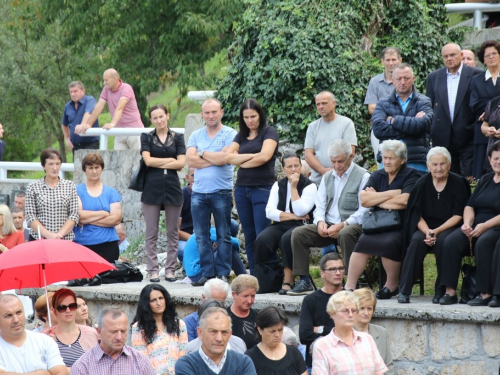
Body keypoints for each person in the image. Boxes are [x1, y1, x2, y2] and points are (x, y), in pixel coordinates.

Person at [288, 139, 369, 295]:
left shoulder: (363, 176)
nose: (337, 166)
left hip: (351, 225)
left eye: (340, 161)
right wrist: (319, 222)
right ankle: (304, 281)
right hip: (329, 224)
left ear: (351, 156)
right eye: (333, 162)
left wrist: (343, 224)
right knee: (298, 234)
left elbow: (364, 210)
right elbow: (320, 205)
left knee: (346, 233)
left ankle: (350, 281)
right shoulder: (327, 177)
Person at [345, 140, 420, 299]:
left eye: (391, 158)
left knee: (388, 242)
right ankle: (349, 285)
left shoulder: (411, 174)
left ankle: (391, 285)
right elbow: (364, 200)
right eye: (384, 158)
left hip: (400, 224)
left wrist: (376, 199)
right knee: (363, 242)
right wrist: (394, 194)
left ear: (402, 160)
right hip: (377, 223)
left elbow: (405, 201)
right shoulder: (377, 175)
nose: (386, 161)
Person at [398, 147, 470, 304]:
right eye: (435, 164)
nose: (439, 168)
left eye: (442, 164)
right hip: (425, 227)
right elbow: (415, 214)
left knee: (443, 242)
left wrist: (436, 231)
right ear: (428, 165)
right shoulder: (421, 183)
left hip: (449, 226)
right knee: (417, 242)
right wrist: (428, 232)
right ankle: (404, 290)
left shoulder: (458, 182)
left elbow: (459, 214)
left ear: (449, 165)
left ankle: (441, 291)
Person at [440, 140, 500, 306]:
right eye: (495, 158)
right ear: (489, 159)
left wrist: (485, 226)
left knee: (484, 242)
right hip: (476, 227)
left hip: (495, 227)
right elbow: (469, 206)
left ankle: (486, 293)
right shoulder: (486, 179)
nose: (498, 162)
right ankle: (450, 291)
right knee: (451, 241)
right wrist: (467, 223)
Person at [186, 98, 237, 286]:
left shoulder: (231, 134)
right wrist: (217, 156)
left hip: (221, 191)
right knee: (201, 235)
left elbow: (228, 158)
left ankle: (223, 273)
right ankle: (207, 273)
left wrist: (202, 153)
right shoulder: (196, 135)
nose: (211, 115)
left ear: (221, 112)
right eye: (207, 112)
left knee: (223, 233)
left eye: (214, 112)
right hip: (199, 192)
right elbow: (190, 162)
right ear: (202, 115)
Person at [226, 99, 279, 274]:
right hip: (242, 189)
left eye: (253, 116)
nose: (250, 120)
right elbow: (228, 157)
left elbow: (265, 156)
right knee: (249, 235)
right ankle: (255, 275)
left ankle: (269, 273)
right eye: (246, 117)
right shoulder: (241, 135)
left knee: (263, 234)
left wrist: (241, 161)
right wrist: (251, 158)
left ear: (260, 114)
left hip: (262, 188)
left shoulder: (269, 132)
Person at [254, 152, 317, 294]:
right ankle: (266, 281)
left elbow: (301, 211)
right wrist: (293, 216)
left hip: (303, 225)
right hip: (284, 223)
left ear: (301, 167)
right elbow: (269, 212)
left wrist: (294, 187)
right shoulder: (278, 185)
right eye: (289, 166)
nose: (294, 169)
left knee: (287, 238)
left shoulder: (310, 186)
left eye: (296, 166)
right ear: (283, 169)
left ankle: (288, 281)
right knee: (262, 239)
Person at [140, 104, 186, 282]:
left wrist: (162, 161)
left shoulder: (178, 137)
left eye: (161, 116)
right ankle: (153, 270)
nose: (159, 120)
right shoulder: (147, 137)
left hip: (172, 187)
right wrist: (170, 160)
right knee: (151, 232)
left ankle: (170, 270)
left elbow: (181, 163)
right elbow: (148, 161)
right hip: (151, 187)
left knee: (172, 232)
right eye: (155, 118)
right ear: (151, 120)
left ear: (167, 116)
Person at [426, 43, 482, 176]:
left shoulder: (476, 74)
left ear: (461, 55)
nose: (449, 59)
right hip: (442, 135)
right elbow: (430, 104)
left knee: (470, 175)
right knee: (447, 175)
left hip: (468, 134)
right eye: (445, 56)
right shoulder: (434, 77)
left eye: (452, 55)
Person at [372, 63, 433, 171]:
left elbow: (423, 125)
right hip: (388, 161)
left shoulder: (424, 101)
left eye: (407, 78)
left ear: (413, 79)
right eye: (399, 78)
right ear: (393, 80)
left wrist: (393, 121)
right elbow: (378, 130)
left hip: (416, 161)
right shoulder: (382, 103)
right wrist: (413, 129)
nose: (403, 82)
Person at [311, 291, 388, 375]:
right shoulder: (322, 346)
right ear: (332, 313)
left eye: (354, 310)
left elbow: (379, 372)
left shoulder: (367, 339)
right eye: (345, 311)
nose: (351, 314)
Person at [72, 307, 155, 375]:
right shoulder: (83, 367)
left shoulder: (141, 362)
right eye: (113, 332)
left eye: (123, 331)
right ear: (99, 332)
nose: (119, 337)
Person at [75, 69, 144, 150]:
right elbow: (99, 106)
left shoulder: (126, 88)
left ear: (114, 79)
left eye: (106, 80)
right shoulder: (106, 89)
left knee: (139, 160)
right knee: (119, 161)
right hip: (119, 132)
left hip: (134, 131)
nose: (104, 83)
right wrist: (89, 124)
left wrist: (112, 124)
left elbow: (120, 107)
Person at [175, 307, 257, 375]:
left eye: (224, 332)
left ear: (230, 335)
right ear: (200, 332)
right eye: (213, 331)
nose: (219, 338)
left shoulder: (244, 362)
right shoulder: (186, 364)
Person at [299, 253, 345, 370]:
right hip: (317, 364)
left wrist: (320, 329)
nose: (338, 273)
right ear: (322, 273)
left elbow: (354, 331)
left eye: (340, 268)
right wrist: (337, 331)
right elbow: (304, 335)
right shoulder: (310, 300)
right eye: (332, 269)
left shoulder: (350, 298)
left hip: (345, 363)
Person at [0, 294, 67, 374]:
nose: (16, 320)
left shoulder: (45, 341)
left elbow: (61, 372)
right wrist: (43, 373)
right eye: (8, 315)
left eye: (19, 312)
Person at [74, 153, 122, 262]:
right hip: (83, 244)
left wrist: (88, 219)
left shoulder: (111, 192)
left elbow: (116, 218)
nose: (94, 171)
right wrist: (104, 213)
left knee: (107, 278)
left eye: (97, 167)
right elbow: (79, 216)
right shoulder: (76, 191)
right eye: (90, 168)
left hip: (108, 244)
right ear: (84, 170)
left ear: (102, 169)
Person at [131, 284, 188, 374]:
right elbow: (142, 358)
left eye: (161, 298)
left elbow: (183, 354)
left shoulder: (179, 324)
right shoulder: (138, 328)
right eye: (153, 300)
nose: (159, 303)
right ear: (146, 304)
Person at [25, 148, 79, 241]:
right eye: (51, 164)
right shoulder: (33, 187)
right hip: (39, 239)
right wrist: (48, 235)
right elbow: (30, 216)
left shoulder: (70, 186)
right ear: (43, 166)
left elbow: (74, 214)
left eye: (57, 164)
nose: (55, 168)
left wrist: (59, 235)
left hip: (64, 239)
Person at [305, 91, 357, 185]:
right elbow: (308, 155)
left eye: (324, 103)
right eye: (318, 104)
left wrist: (335, 171)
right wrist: (323, 171)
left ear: (334, 104)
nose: (321, 107)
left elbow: (350, 152)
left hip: (341, 179)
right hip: (318, 181)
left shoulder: (346, 124)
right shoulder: (312, 126)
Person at [41, 289, 98, 370]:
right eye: (62, 307)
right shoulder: (43, 337)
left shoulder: (91, 333)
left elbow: (98, 366)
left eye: (72, 306)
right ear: (54, 310)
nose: (68, 310)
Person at [365, 47, 403, 164]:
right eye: (388, 60)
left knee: (400, 161)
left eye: (393, 59)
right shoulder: (375, 82)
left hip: (400, 128)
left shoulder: (404, 81)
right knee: (381, 162)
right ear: (382, 61)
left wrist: (382, 111)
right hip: (379, 128)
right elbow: (371, 108)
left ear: (400, 60)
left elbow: (407, 106)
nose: (391, 63)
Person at [182, 218, 246, 283]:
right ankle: (244, 276)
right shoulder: (210, 231)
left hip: (193, 275)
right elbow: (235, 242)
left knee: (225, 246)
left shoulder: (201, 231)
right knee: (229, 247)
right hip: (199, 274)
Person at [246, 306, 307, 375]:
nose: (277, 335)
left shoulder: (294, 353)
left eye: (280, 330)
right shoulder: (250, 358)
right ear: (260, 330)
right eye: (272, 331)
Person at [470, 40, 500, 179]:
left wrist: (488, 108)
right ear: (483, 60)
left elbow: (483, 103)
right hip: (483, 131)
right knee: (482, 175)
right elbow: (474, 104)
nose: (491, 57)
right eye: (487, 55)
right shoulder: (477, 80)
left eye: (494, 53)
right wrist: (493, 107)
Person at [353, 288, 394, 374]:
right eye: (362, 308)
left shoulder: (381, 332)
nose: (366, 313)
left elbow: (389, 366)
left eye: (369, 309)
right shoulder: (344, 333)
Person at [61, 81, 99, 154]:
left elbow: (88, 113)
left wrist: (82, 125)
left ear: (83, 91)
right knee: (78, 165)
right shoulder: (67, 106)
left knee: (90, 164)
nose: (73, 94)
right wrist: (67, 138)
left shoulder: (90, 100)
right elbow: (64, 124)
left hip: (90, 143)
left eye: (75, 91)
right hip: (75, 146)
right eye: (71, 92)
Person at [227, 274, 259, 349]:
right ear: (234, 294)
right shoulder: (224, 317)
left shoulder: (259, 317)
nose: (249, 301)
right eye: (245, 296)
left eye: (253, 296)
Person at [178, 167, 195, 261]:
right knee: (183, 250)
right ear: (187, 178)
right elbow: (174, 231)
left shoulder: (207, 193)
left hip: (205, 235)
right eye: (193, 176)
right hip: (185, 237)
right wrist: (194, 239)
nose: (196, 179)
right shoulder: (181, 196)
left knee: (232, 225)